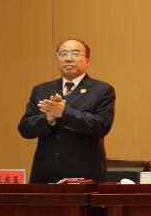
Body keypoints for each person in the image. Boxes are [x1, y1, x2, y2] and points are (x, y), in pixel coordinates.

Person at [18, 38, 115, 183]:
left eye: (75, 53)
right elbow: (25, 129)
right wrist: (48, 119)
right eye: (63, 54)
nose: (68, 58)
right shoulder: (41, 89)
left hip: (85, 174)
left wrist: (64, 112)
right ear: (58, 58)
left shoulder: (102, 90)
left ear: (87, 61)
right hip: (45, 174)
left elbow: (101, 126)